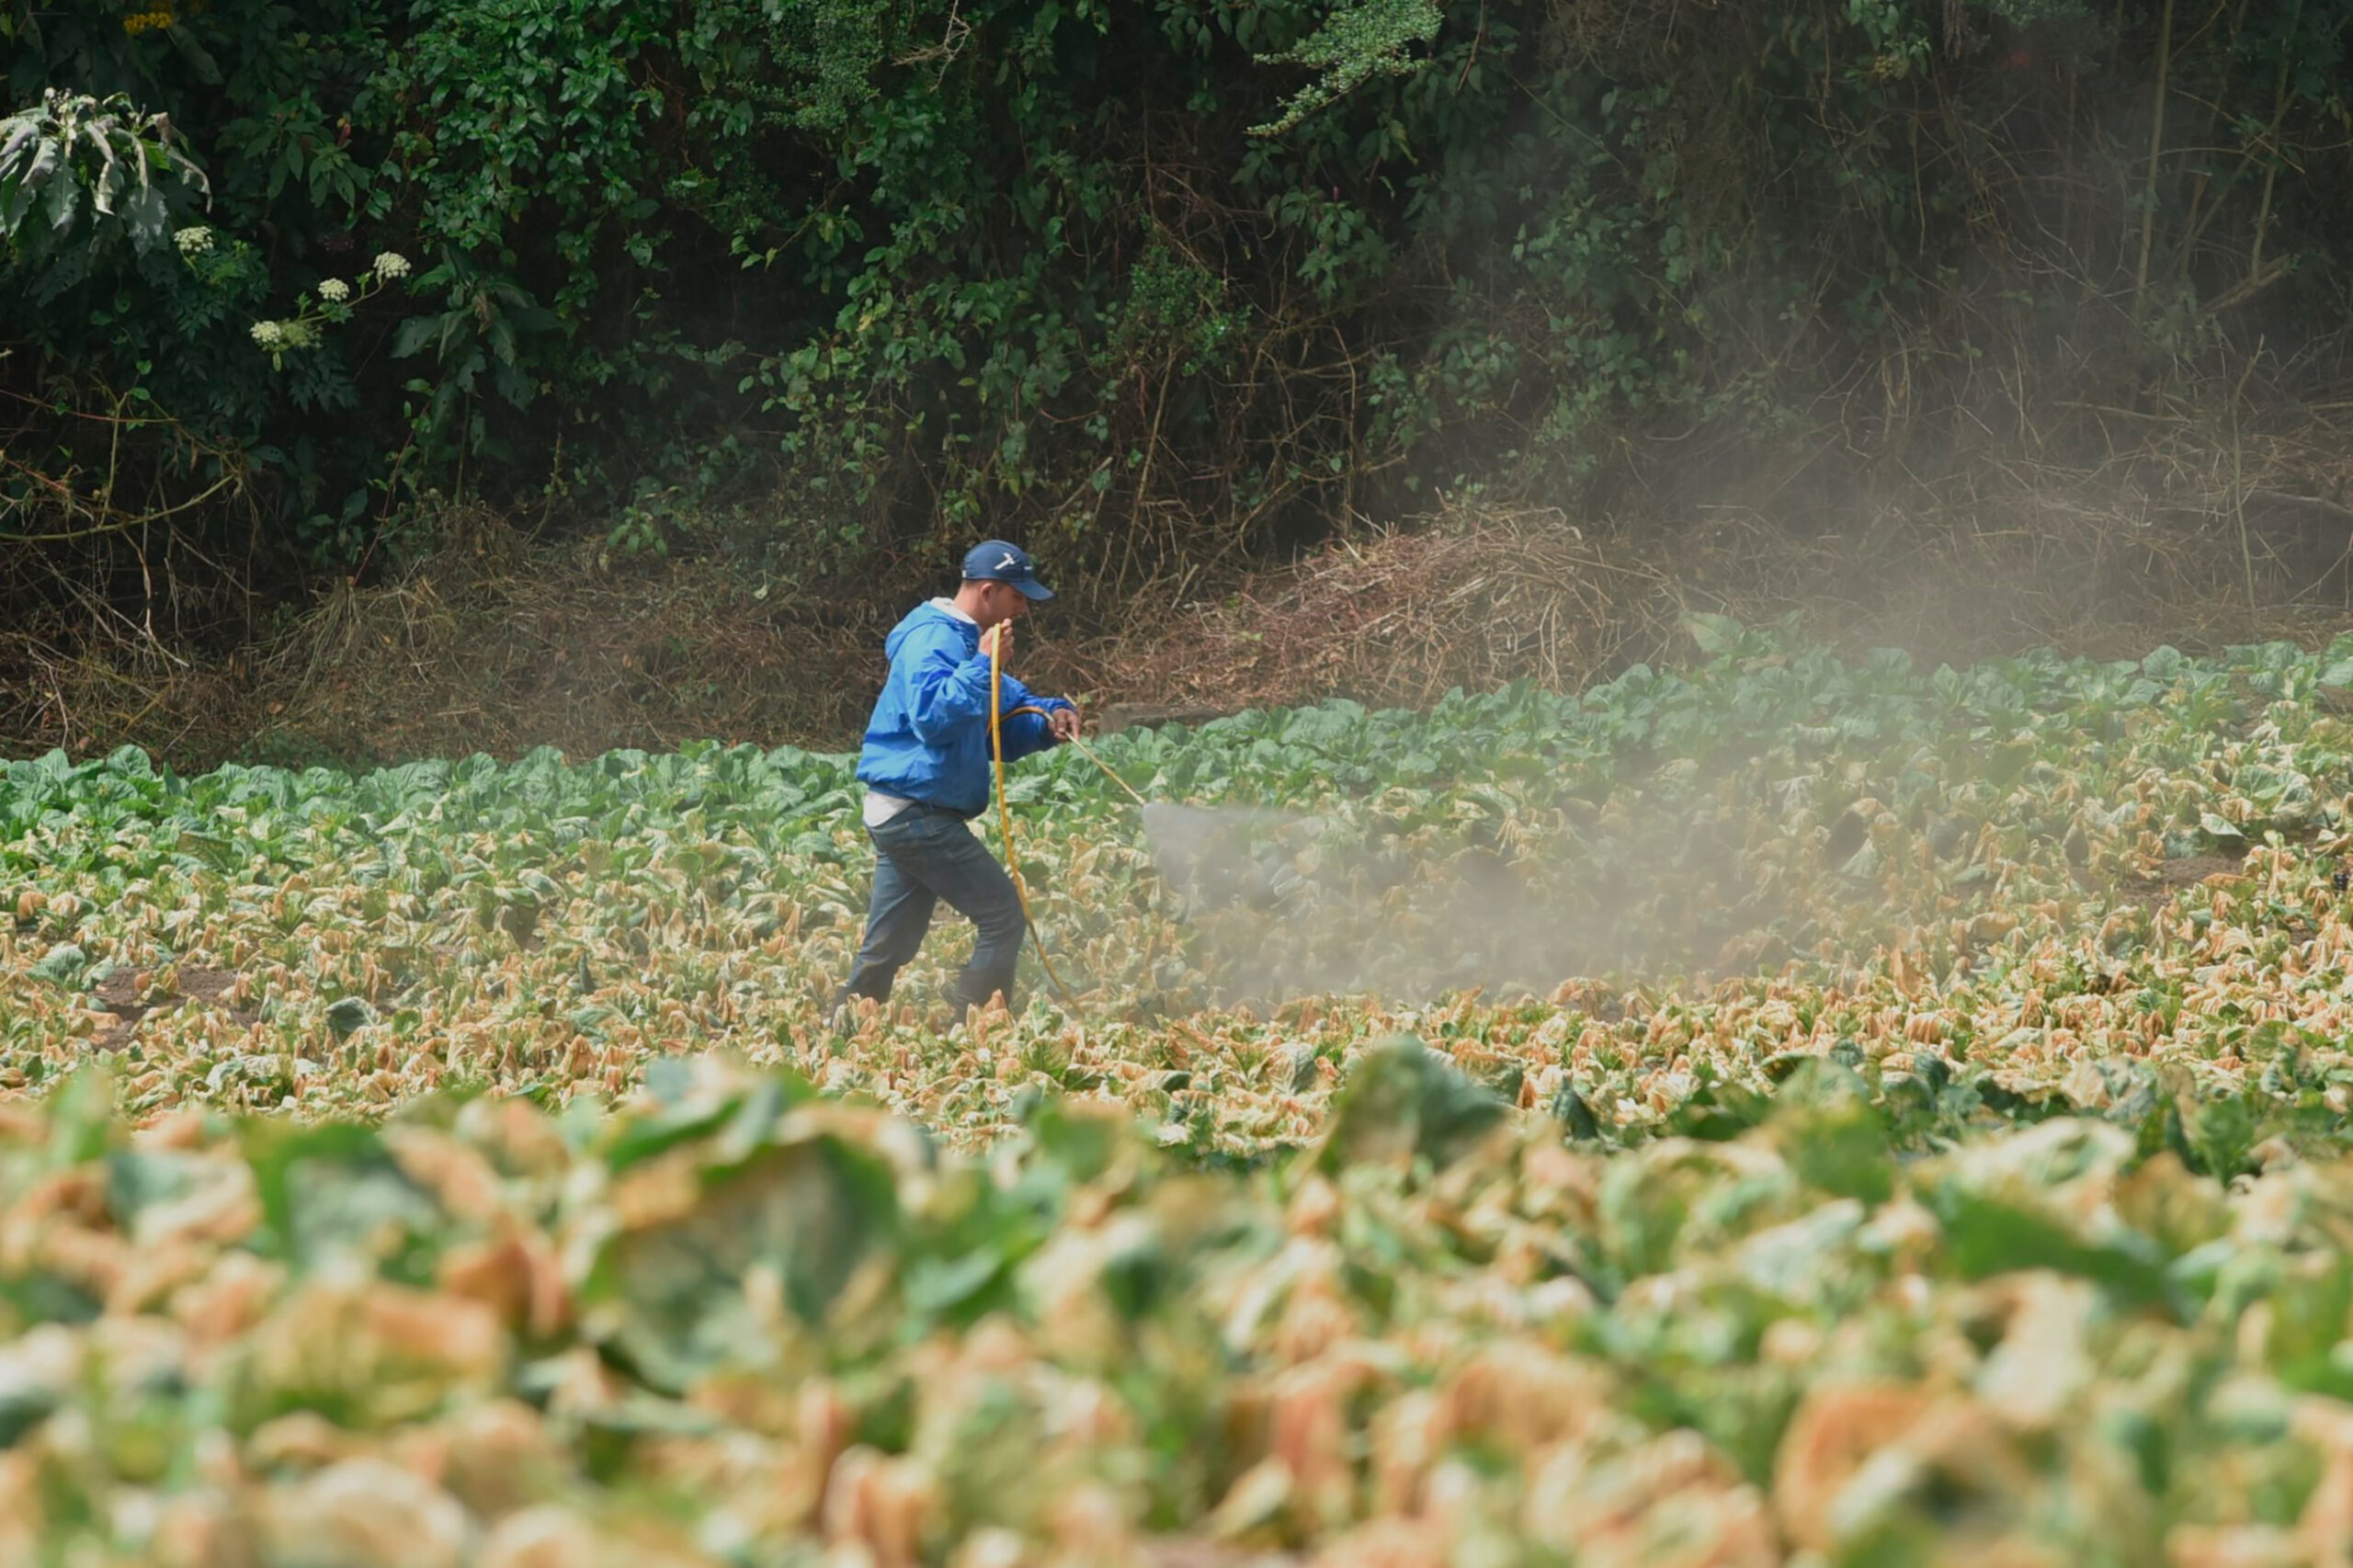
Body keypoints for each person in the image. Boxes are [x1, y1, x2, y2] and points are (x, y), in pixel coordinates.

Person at [830, 540, 1082, 1021]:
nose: (1024, 609)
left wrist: (1051, 719)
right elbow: (933, 718)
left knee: (890, 943)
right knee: (1003, 913)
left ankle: (840, 1030)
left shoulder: (968, 643)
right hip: (915, 811)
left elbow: (1001, 719)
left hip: (905, 809)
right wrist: (984, 666)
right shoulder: (933, 640)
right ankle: (976, 1022)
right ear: (989, 591)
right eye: (1018, 597)